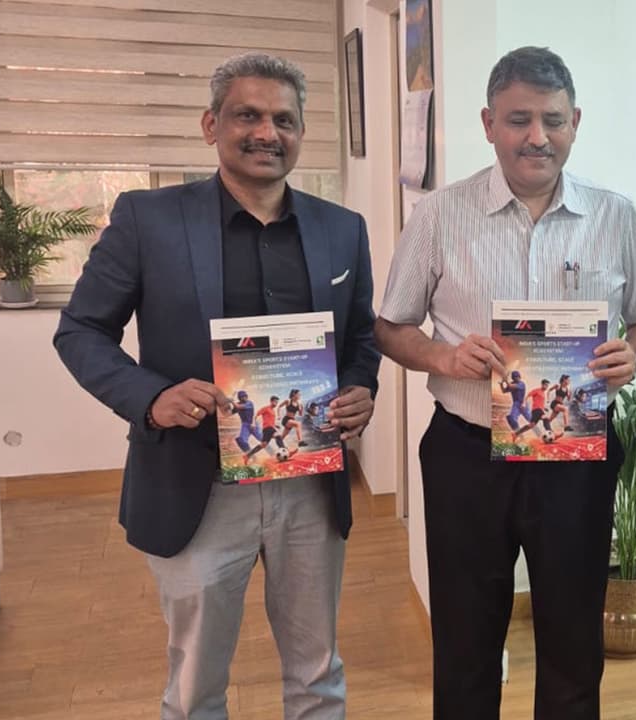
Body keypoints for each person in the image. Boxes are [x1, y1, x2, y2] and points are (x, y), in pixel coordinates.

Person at [53, 52, 380, 719]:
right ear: (211, 125)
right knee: (197, 685)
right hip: (196, 488)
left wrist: (358, 388)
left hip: (309, 489)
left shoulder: (342, 229)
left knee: (318, 677)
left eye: (284, 119)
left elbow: (362, 340)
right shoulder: (149, 219)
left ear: (301, 132)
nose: (267, 132)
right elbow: (80, 331)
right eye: (248, 115)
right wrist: (150, 398)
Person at [373, 46, 636, 719]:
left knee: (571, 638)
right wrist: (443, 359)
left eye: (553, 120)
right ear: (487, 123)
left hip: (577, 456)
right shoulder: (439, 216)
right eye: (518, 119)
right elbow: (390, 328)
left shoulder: (615, 215)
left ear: (575, 123)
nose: (538, 136)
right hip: (467, 453)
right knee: (465, 634)